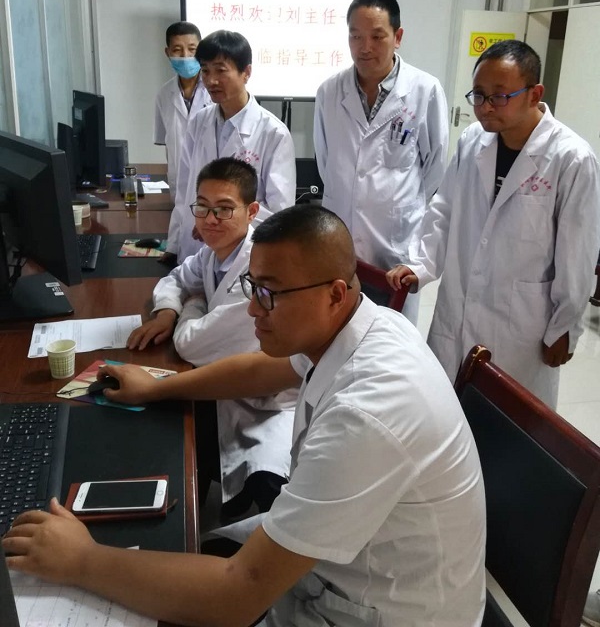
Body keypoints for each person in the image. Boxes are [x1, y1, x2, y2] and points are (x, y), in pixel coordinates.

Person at [4, 205, 486, 627]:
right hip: (341, 568)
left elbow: (239, 594)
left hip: (381, 610)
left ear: (335, 294)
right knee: (171, 554)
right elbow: (263, 369)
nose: (253, 309)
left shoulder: (369, 414)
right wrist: (158, 387)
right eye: (252, 286)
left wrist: (82, 560)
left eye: (269, 293)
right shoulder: (365, 323)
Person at [387, 39, 600, 409]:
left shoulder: (572, 158)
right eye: (479, 95)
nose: (485, 106)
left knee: (505, 419)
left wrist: (565, 325)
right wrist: (421, 265)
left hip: (522, 323)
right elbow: (444, 208)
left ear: (534, 94)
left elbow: (577, 252)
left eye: (499, 96)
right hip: (459, 306)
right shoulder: (473, 141)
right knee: (446, 409)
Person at [127, 156, 295, 515]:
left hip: (267, 403)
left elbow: (192, 345)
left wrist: (193, 304)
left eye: (224, 209)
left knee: (168, 421)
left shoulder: (257, 269)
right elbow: (176, 278)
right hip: (233, 384)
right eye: (202, 207)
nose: (210, 219)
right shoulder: (214, 253)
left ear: (252, 211)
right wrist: (168, 311)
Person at [314, 0, 448, 325]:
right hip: (340, 241)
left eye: (377, 36)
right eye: (355, 36)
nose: (365, 47)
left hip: (396, 245)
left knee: (390, 335)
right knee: (338, 330)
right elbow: (326, 161)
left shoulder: (425, 90)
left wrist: (395, 205)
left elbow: (434, 169)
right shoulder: (329, 92)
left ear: (397, 37)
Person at [167, 30, 296, 262]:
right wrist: (174, 244)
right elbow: (185, 189)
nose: (211, 81)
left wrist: (218, 223)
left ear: (246, 72)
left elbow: (280, 212)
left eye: (221, 70)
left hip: (243, 253)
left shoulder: (273, 133)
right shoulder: (199, 122)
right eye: (205, 70)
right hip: (194, 247)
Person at [154, 21, 210, 202]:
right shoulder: (164, 94)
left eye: (192, 49)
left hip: (211, 184)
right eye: (177, 50)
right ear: (168, 53)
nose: (186, 56)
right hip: (178, 185)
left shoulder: (215, 91)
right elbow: (166, 142)